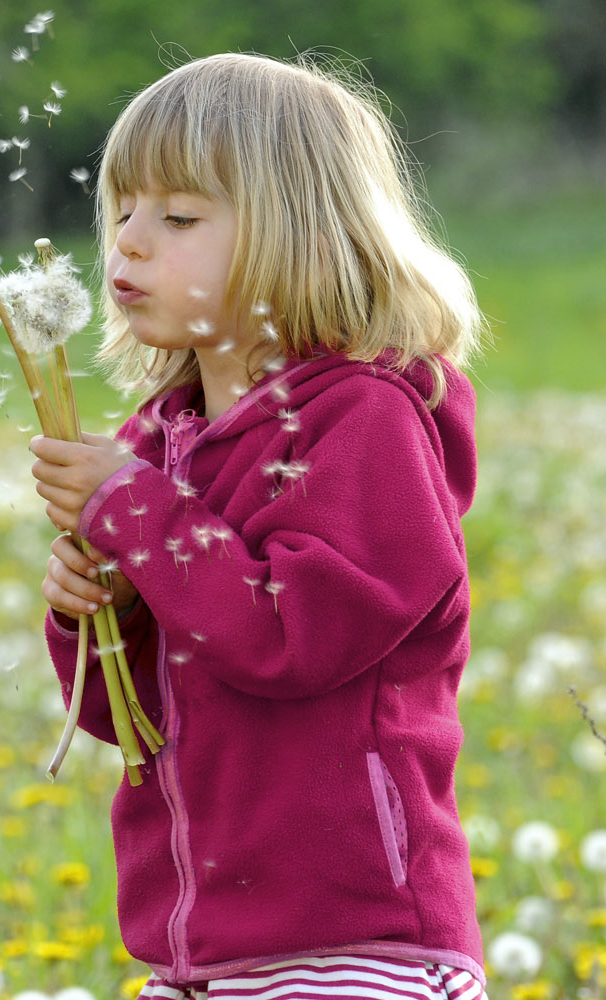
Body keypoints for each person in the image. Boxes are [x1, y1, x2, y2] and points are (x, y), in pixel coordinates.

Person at [28, 54, 489, 998]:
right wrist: (94, 612)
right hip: (195, 954)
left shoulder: (364, 421)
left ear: (302, 234)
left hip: (357, 945)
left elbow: (294, 636)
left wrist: (140, 518)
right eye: (121, 211)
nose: (130, 243)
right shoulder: (155, 442)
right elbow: (132, 719)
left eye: (181, 217)